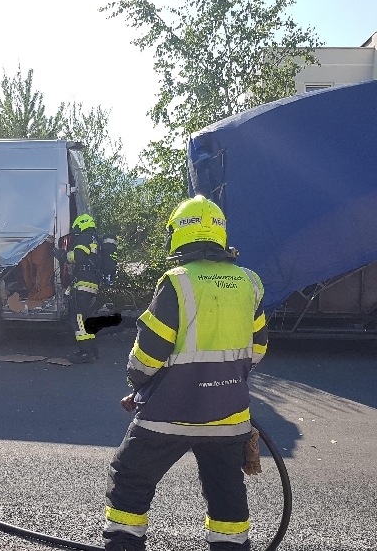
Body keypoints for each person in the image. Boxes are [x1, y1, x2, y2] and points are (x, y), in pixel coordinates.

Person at [103, 195, 268, 551]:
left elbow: (147, 358)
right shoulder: (249, 282)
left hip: (168, 415)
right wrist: (224, 381)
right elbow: (257, 350)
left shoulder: (177, 282)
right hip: (229, 417)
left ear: (177, 234)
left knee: (129, 478)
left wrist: (139, 387)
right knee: (226, 493)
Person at [55, 213, 101, 363]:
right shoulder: (95, 239)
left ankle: (86, 352)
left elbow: (78, 256)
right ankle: (91, 349)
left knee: (78, 318)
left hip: (84, 283)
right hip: (91, 282)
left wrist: (62, 255)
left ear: (81, 225)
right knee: (85, 318)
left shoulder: (84, 238)